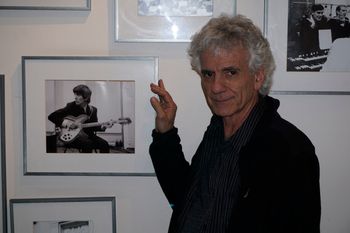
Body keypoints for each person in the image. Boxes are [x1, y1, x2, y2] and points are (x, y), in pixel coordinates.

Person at [149, 14, 321, 233]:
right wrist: (166, 134)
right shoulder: (217, 129)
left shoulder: (289, 149)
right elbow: (188, 200)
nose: (215, 87)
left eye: (230, 72)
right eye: (208, 74)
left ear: (258, 77)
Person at [48, 84, 113, 153]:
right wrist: (68, 123)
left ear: (86, 98)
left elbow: (94, 126)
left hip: (89, 136)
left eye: (78, 95)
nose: (75, 97)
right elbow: (52, 116)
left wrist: (103, 127)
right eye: (75, 95)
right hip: (74, 137)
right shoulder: (71, 106)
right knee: (88, 144)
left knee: (105, 144)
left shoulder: (93, 110)